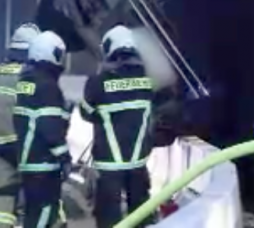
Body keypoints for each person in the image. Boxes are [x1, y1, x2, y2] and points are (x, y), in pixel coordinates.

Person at [80, 25, 156, 227]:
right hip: (138, 162)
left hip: (108, 165)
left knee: (108, 218)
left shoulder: (97, 82)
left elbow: (85, 113)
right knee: (141, 215)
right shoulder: (148, 81)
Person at [14, 31, 70, 228]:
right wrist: (64, 157)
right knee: (46, 211)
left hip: (28, 161)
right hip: (44, 164)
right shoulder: (47, 86)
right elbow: (50, 128)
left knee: (33, 213)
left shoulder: (25, 81)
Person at [0, 23, 40, 228]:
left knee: (2, 195)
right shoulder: (34, 75)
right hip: (28, 145)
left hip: (0, 145)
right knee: (41, 194)